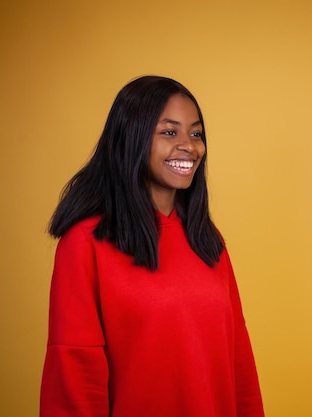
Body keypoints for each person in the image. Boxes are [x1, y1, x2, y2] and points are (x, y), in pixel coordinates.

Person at [40, 76, 265, 417]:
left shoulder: (207, 239)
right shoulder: (86, 243)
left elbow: (240, 363)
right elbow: (74, 375)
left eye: (196, 133)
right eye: (169, 132)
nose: (189, 146)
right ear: (131, 137)